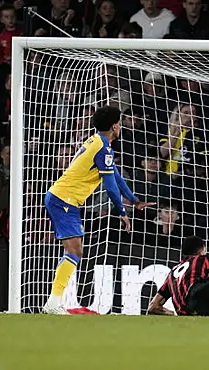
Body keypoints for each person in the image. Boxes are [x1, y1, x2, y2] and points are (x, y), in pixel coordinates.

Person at [42, 106, 154, 314]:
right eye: (119, 123)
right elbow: (110, 187)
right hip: (64, 199)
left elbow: (115, 175)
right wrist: (122, 212)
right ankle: (54, 302)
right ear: (114, 126)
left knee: (74, 251)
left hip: (64, 198)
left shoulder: (97, 141)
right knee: (74, 250)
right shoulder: (102, 147)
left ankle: (54, 301)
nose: (120, 126)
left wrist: (134, 200)